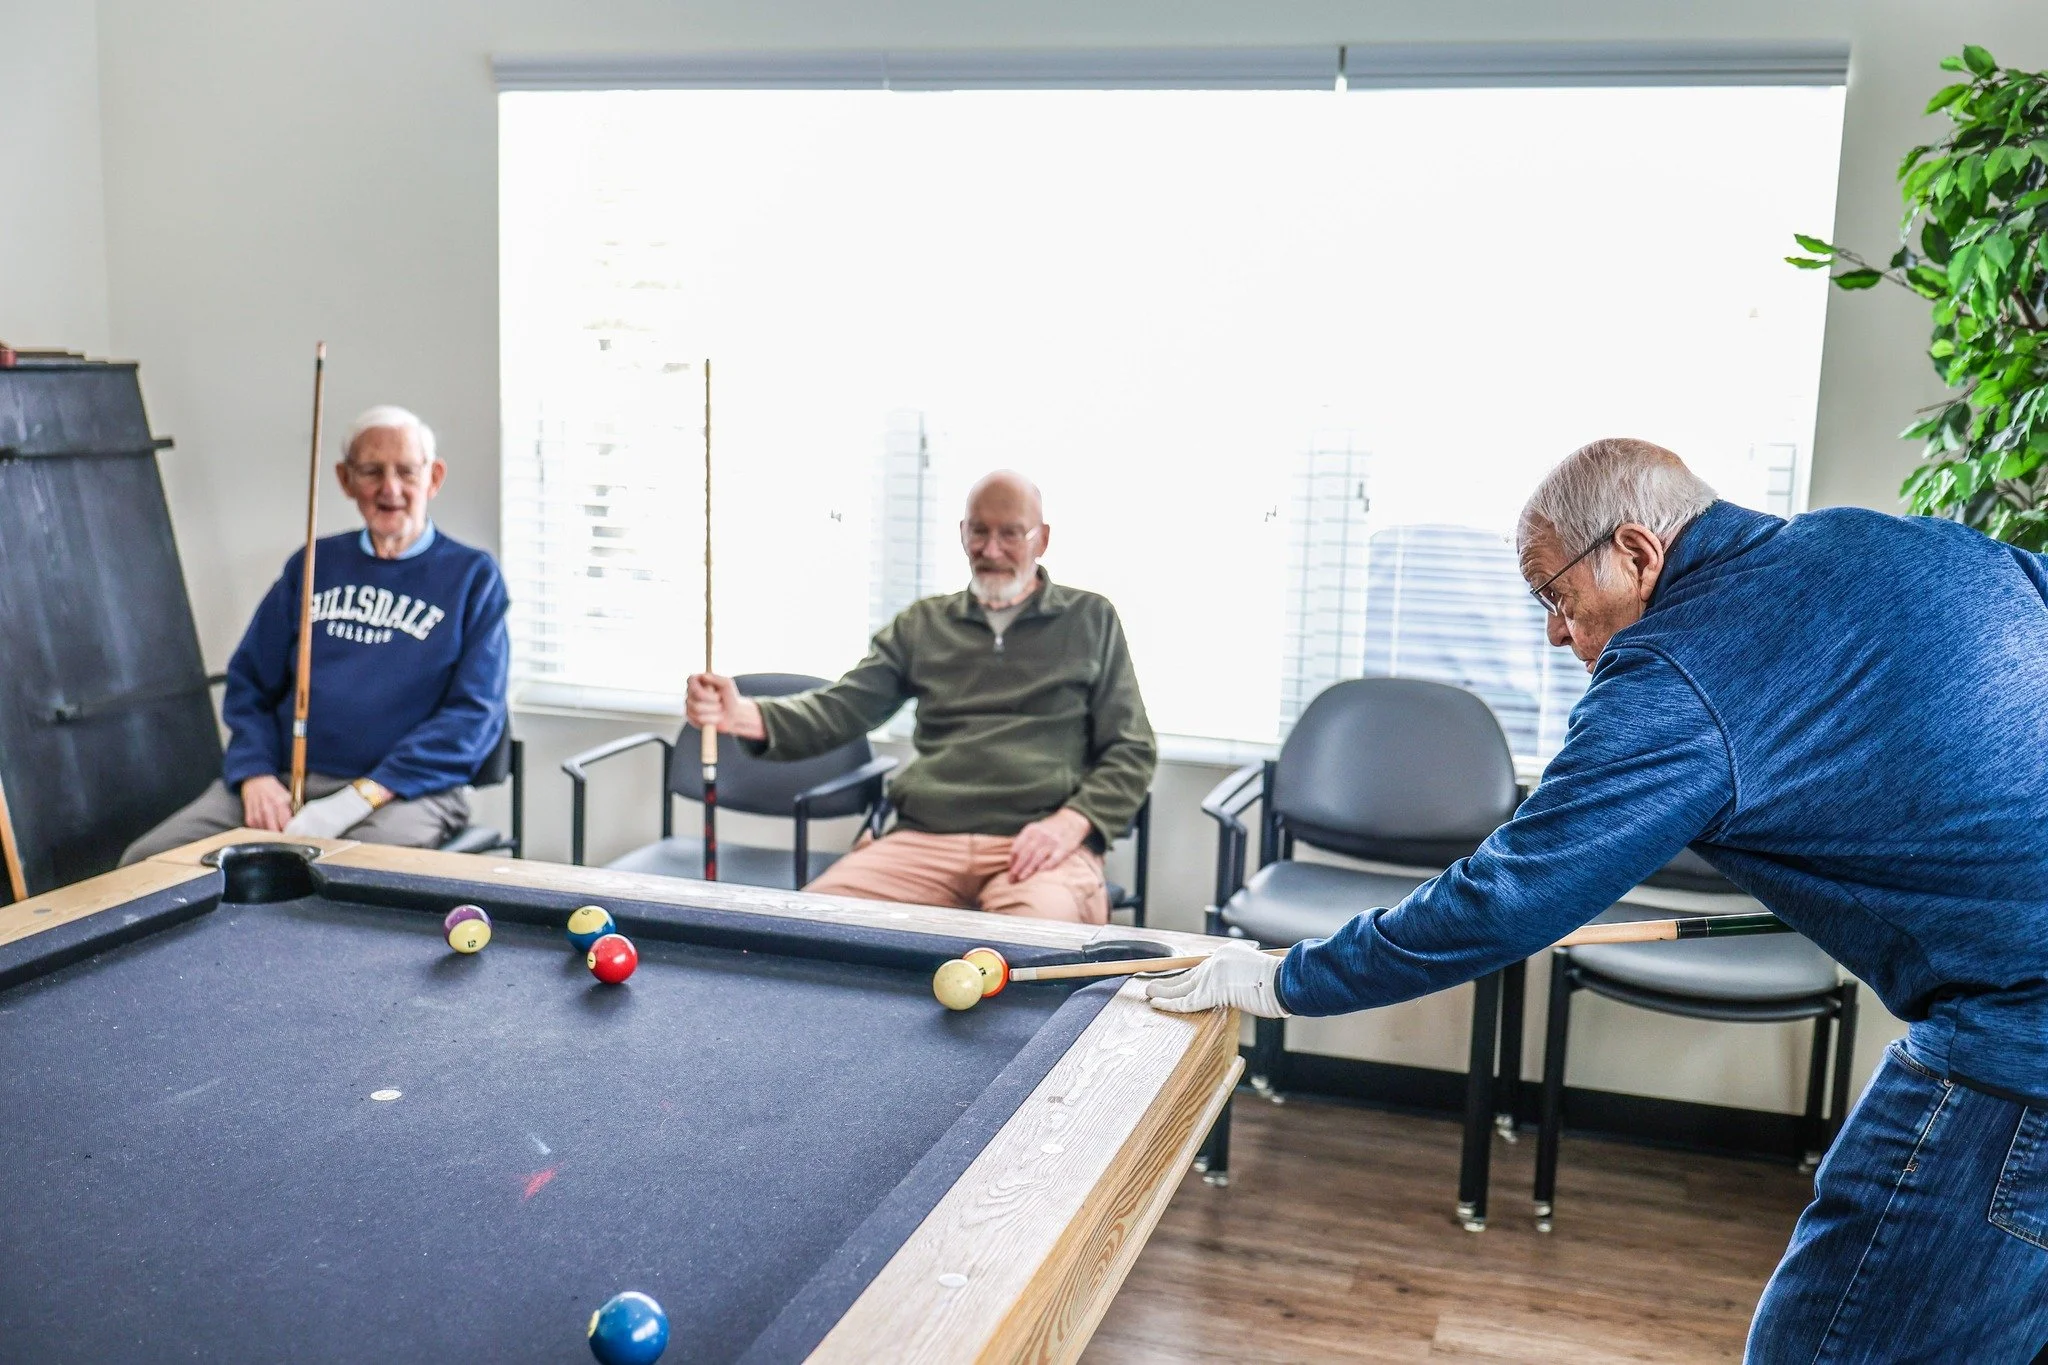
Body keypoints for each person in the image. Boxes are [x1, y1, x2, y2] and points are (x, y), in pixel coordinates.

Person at [1149, 437, 2048, 1358]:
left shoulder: (1681, 665)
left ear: (1636, 552)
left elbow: (1506, 897)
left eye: (1553, 593)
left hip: (2018, 1045)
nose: (1552, 629)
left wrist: (1281, 981)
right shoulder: (1875, 539)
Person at [685, 470, 1154, 924]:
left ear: (1042, 538)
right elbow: (842, 708)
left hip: (1036, 844)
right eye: (979, 532)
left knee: (1032, 951)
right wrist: (743, 715)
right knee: (811, 927)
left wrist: (1072, 823)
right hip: (922, 840)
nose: (991, 550)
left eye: (1010, 534)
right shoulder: (924, 624)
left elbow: (1132, 750)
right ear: (962, 533)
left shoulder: (1090, 620)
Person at [123, 406, 508, 861]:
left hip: (407, 792)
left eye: (406, 471)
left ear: (434, 477)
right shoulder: (312, 565)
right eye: (371, 471)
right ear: (346, 480)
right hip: (286, 780)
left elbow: (473, 716)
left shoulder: (472, 577)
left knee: (347, 876)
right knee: (147, 865)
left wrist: (355, 800)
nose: (390, 489)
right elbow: (250, 684)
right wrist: (256, 775)